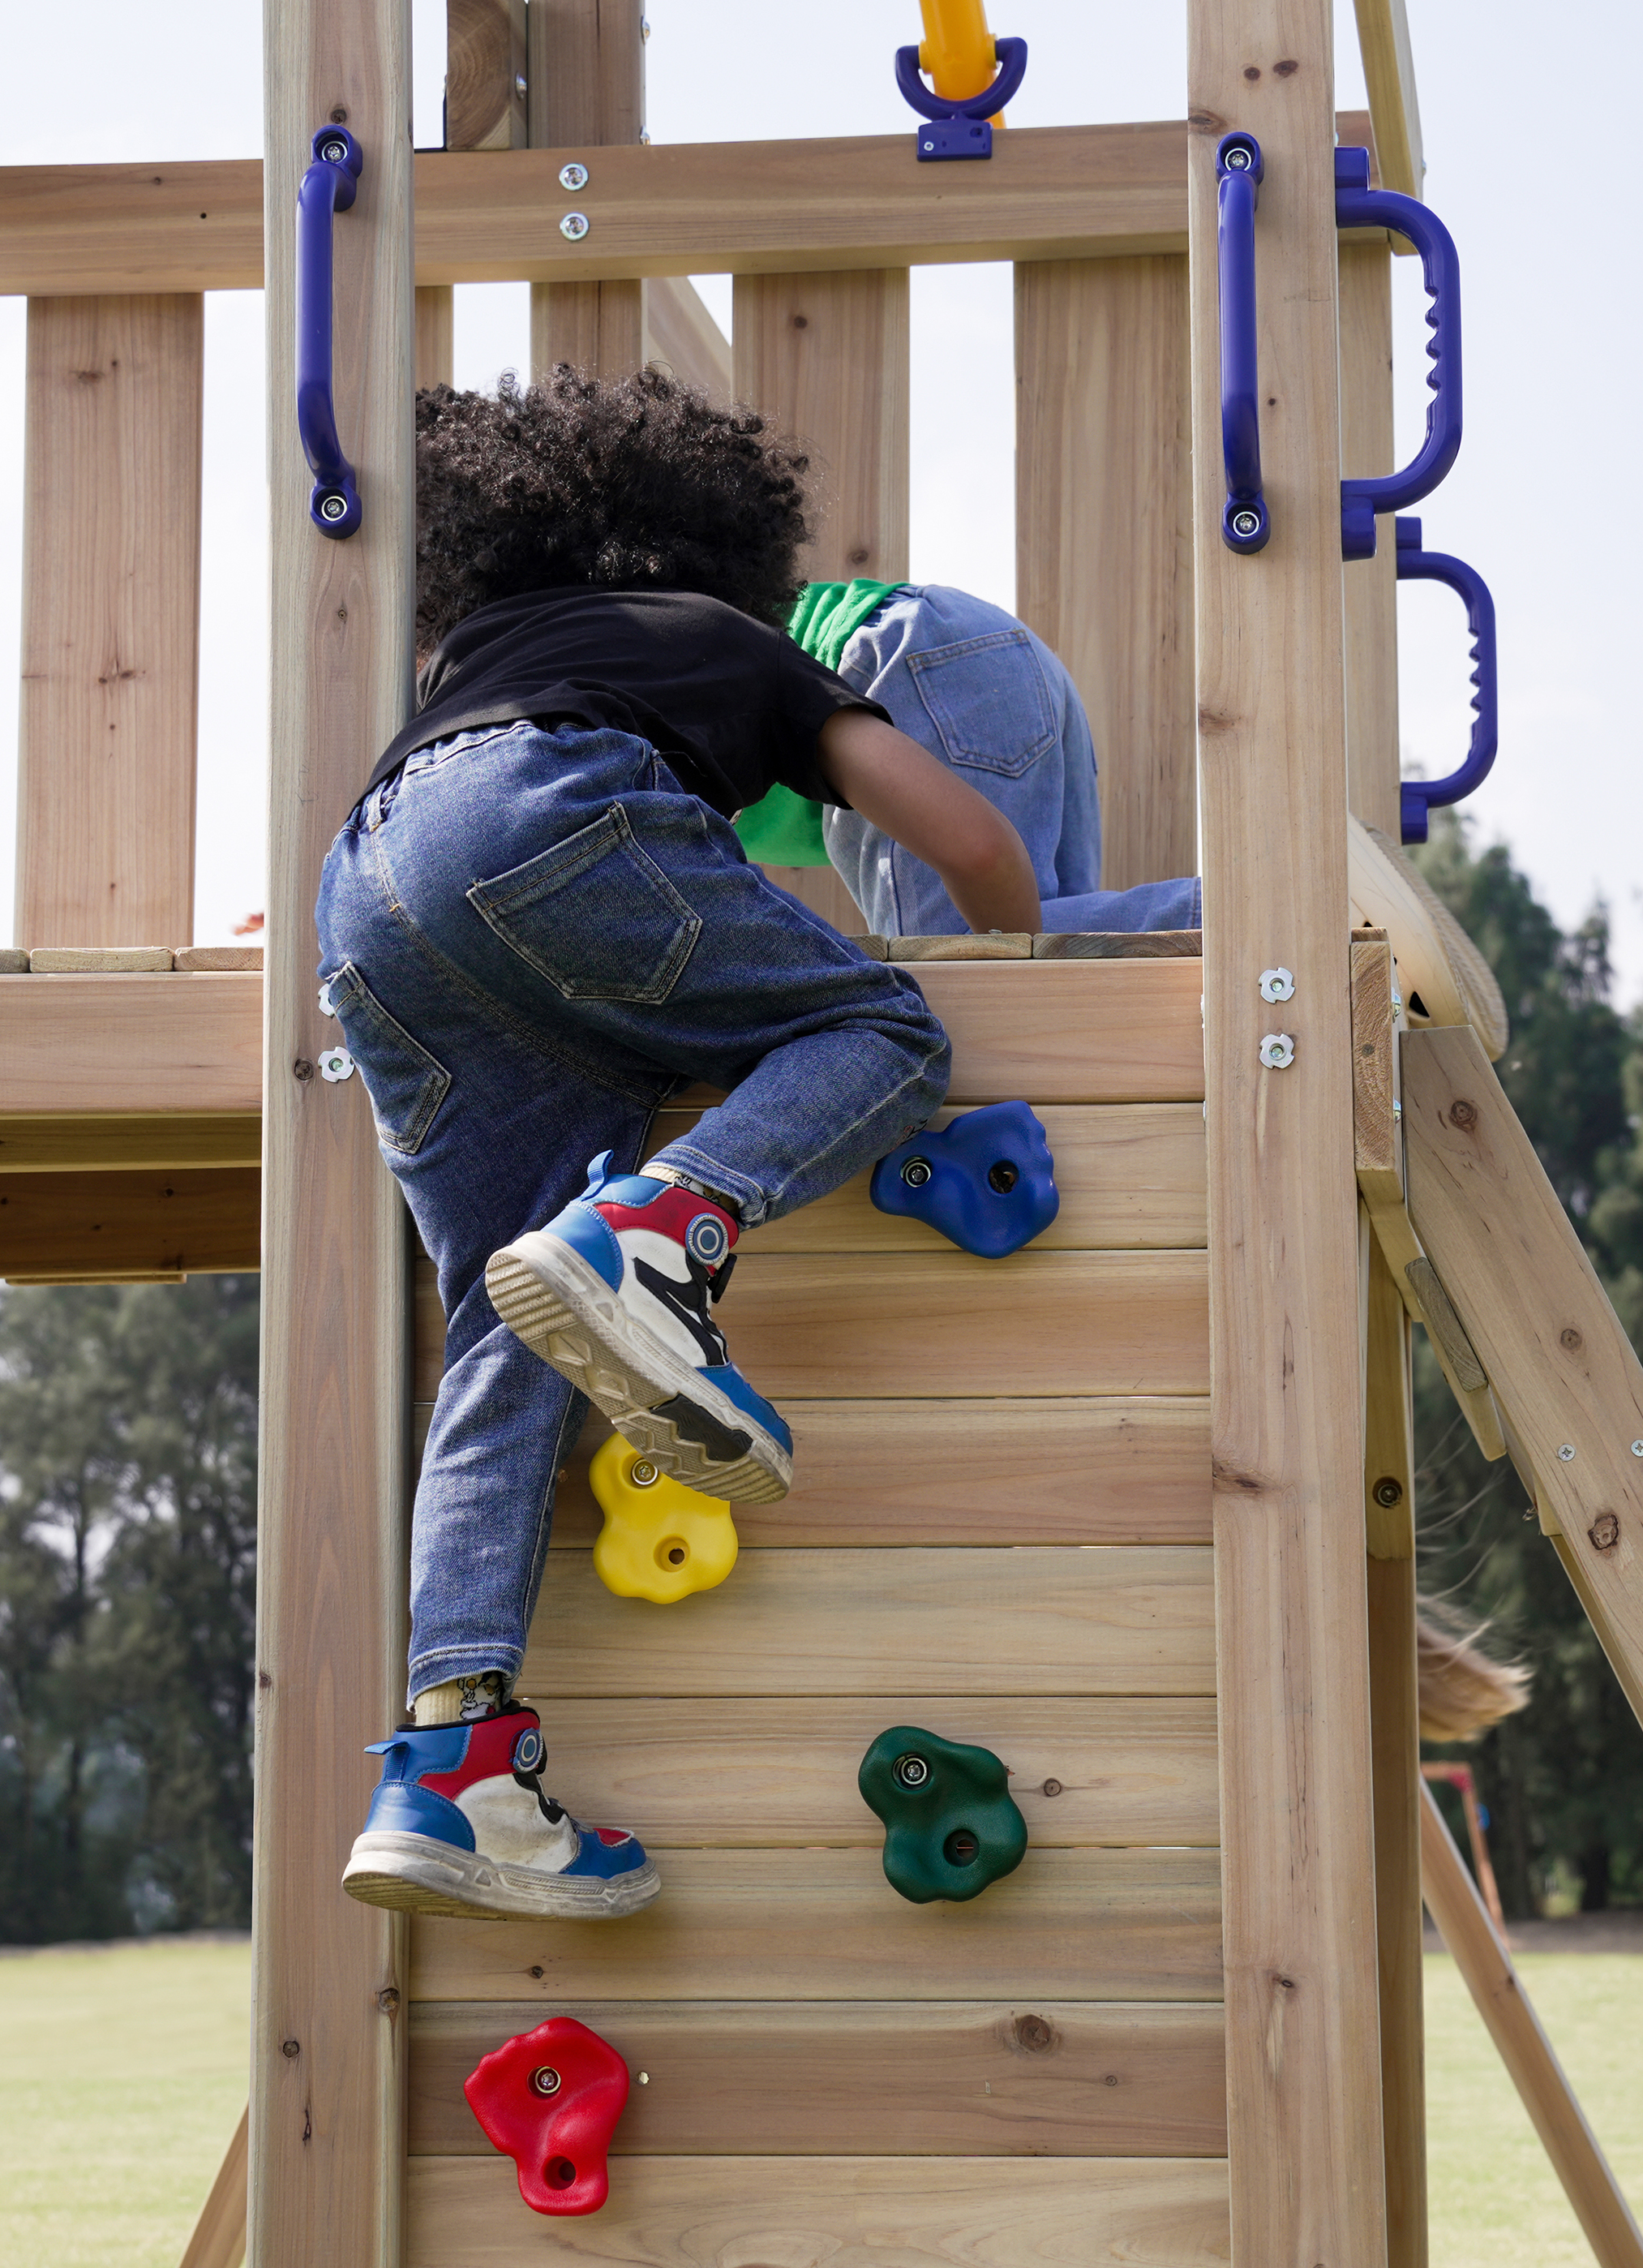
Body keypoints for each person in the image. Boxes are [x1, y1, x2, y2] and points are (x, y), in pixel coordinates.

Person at [325, 367, 1038, 1923]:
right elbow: (972, 842)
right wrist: (1020, 973)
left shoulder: (468, 655)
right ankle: (664, 1234)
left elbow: (498, 891)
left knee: (497, 1341)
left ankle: (457, 1768)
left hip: (371, 899)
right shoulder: (727, 642)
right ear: (717, 556)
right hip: (551, 821)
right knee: (890, 1031)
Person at [737, 583, 1202, 936]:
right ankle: (1239, 915)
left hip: (897, 658)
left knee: (953, 969)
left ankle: (1244, 914)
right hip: (995, 655)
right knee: (1058, 975)